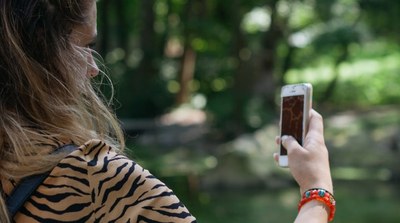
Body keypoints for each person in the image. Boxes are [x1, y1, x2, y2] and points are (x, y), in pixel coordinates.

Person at [0, 0, 333, 223]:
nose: (93, 69)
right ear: (42, 50)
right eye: (87, 44)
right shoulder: (97, 182)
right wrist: (316, 190)